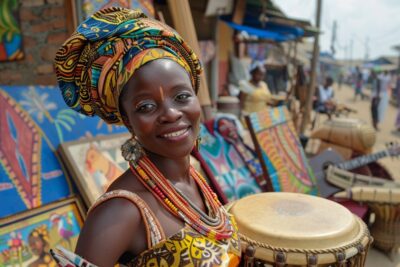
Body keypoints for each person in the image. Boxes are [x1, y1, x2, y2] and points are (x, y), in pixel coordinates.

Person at [51, 8, 240, 266]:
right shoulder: (122, 211)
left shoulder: (197, 179)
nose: (171, 114)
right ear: (128, 120)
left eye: (182, 96)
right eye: (146, 107)